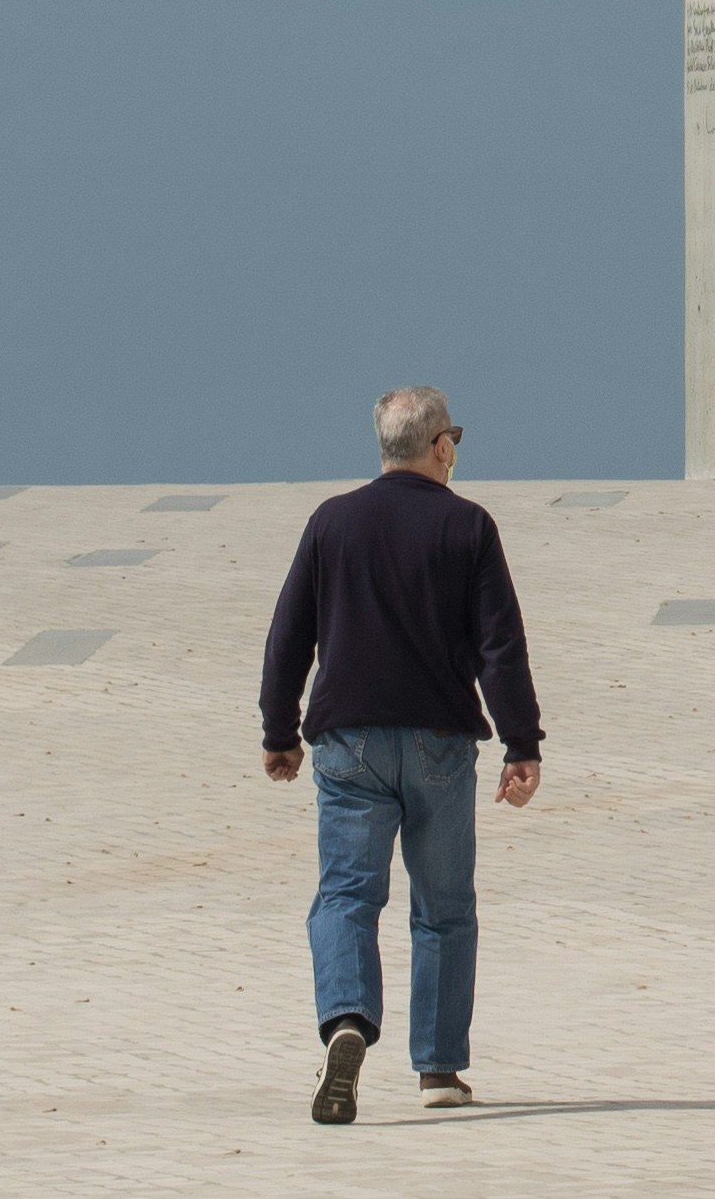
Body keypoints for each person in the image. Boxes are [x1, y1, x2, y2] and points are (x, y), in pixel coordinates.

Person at [261, 384, 544, 1123]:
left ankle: (348, 1020)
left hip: (348, 742)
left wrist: (279, 732)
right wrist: (522, 741)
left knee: (347, 896)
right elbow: (499, 646)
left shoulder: (332, 523)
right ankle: (439, 1069)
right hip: (440, 745)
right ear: (441, 446)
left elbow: (290, 635)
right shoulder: (469, 527)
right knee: (444, 909)